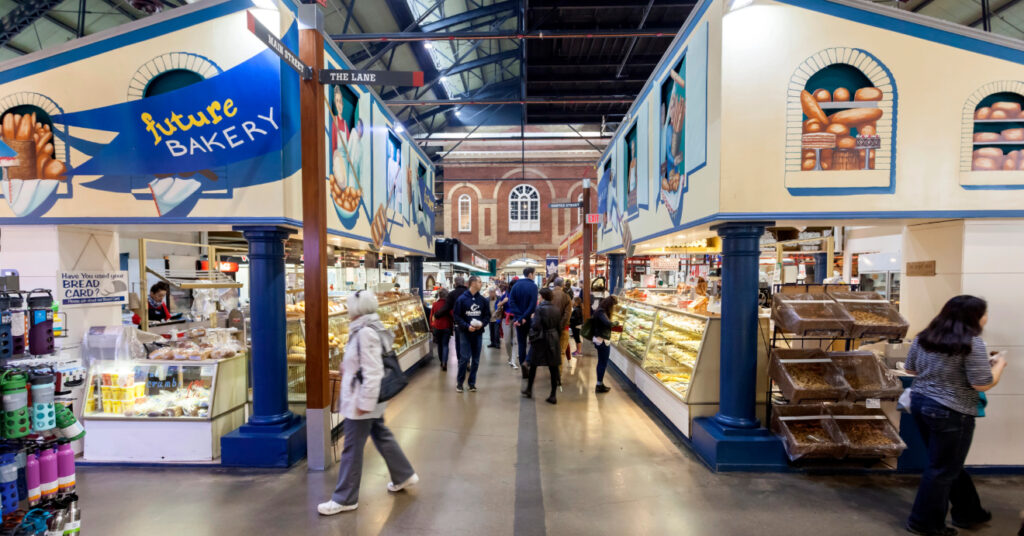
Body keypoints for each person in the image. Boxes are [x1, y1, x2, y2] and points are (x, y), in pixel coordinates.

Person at [904, 295, 1008, 536]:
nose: (986, 317)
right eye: (984, 313)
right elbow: (981, 384)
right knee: (941, 469)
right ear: (973, 317)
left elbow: (910, 369)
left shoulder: (924, 337)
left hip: (920, 403)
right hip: (951, 411)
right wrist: (999, 365)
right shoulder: (972, 343)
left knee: (948, 465)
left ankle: (970, 513)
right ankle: (924, 523)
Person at [318, 290, 418, 515]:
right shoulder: (370, 328)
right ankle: (404, 475)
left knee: (351, 449)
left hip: (363, 400)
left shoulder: (365, 332)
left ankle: (345, 498)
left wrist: (365, 402)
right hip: (368, 398)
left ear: (357, 309)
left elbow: (372, 370)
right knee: (381, 435)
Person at [522, 288, 562, 404]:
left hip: (541, 339)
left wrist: (532, 320)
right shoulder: (556, 309)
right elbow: (559, 326)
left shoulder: (539, 309)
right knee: (553, 367)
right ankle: (553, 395)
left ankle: (529, 389)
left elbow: (536, 325)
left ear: (543, 297)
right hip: (553, 338)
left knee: (534, 364)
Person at [452, 276, 490, 393]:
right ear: (472, 283)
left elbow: (487, 316)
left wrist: (482, 324)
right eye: (479, 282)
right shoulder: (462, 299)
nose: (481, 284)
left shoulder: (483, 300)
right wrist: (467, 326)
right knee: (464, 358)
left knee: (476, 360)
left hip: (478, 334)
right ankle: (459, 383)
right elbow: (456, 316)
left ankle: (472, 383)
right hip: (465, 333)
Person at [507, 267, 539, 378]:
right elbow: (533, 304)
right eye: (534, 274)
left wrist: (519, 317)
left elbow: (512, 302)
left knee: (521, 343)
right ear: (530, 274)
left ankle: (522, 367)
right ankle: (528, 363)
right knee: (534, 342)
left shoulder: (515, 286)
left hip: (518, 320)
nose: (534, 276)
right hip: (529, 319)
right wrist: (525, 317)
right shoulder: (533, 286)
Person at [437, 277, 468, 374]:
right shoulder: (469, 292)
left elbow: (446, 308)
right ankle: (468, 361)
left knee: (459, 343)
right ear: (464, 283)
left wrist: (437, 314)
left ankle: (461, 362)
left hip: (458, 323)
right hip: (470, 322)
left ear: (455, 284)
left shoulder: (452, 294)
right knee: (468, 343)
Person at [591, 296, 617, 394]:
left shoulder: (599, 310)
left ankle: (600, 383)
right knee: (603, 362)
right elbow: (607, 323)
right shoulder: (601, 312)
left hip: (599, 339)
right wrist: (615, 323)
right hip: (602, 340)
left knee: (601, 362)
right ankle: (599, 384)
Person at [429, 289, 453, 371]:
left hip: (437, 327)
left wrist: (431, 327)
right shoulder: (448, 305)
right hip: (446, 327)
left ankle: (441, 361)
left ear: (439, 295)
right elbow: (452, 315)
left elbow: (431, 316)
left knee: (439, 345)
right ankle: (444, 362)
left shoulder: (435, 304)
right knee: (445, 345)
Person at [500, 281, 518, 368]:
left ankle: (513, 360)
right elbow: (498, 305)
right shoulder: (506, 295)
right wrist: (503, 301)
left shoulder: (519, 295)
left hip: (516, 319)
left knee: (515, 341)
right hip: (506, 319)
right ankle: (510, 357)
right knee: (507, 341)